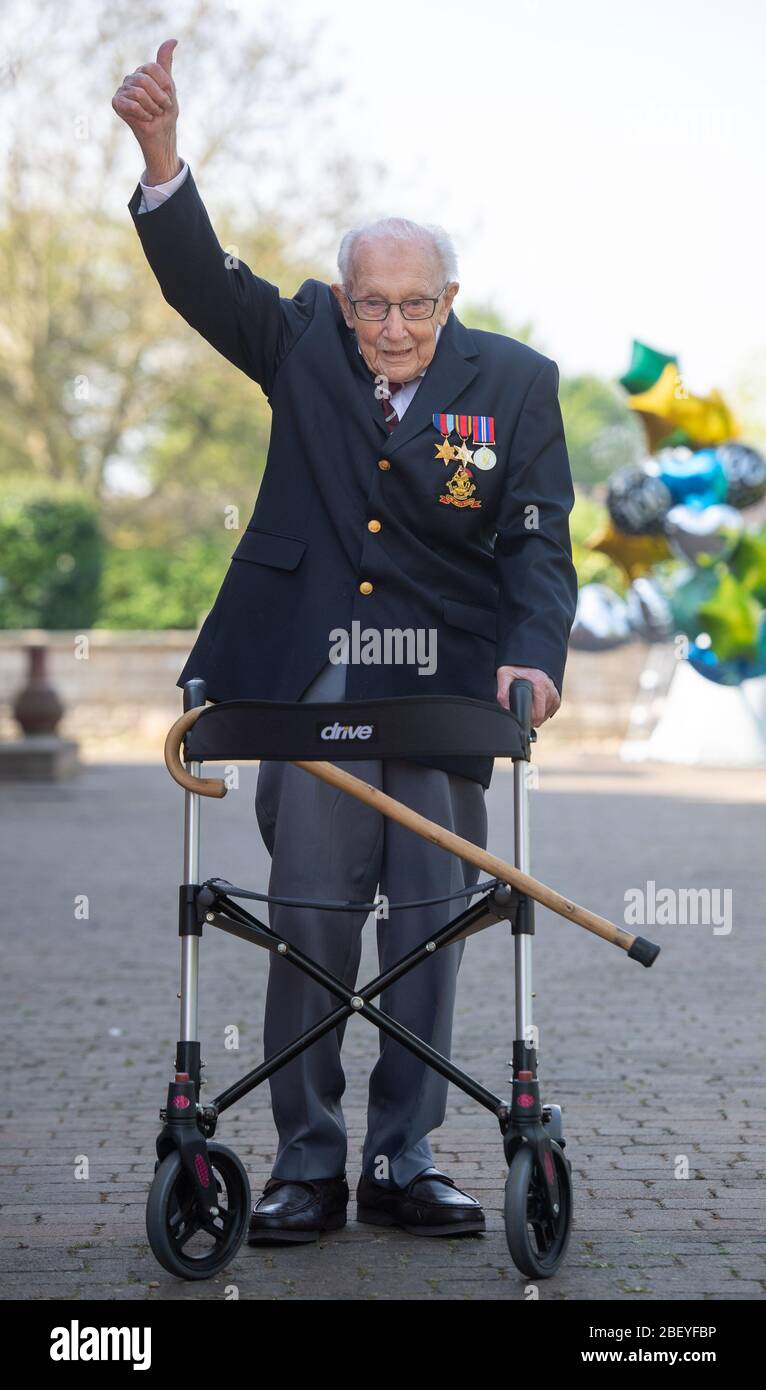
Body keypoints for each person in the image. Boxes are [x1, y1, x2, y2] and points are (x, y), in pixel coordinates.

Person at [113, 38, 578, 1244]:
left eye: (415, 304)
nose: (391, 325)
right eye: (372, 302)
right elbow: (204, 285)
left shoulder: (516, 383)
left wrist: (535, 653)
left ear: (451, 300)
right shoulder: (304, 339)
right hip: (309, 677)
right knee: (313, 918)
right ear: (345, 297)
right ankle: (307, 1161)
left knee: (430, 915)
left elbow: (537, 536)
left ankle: (404, 1155)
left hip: (448, 680)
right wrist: (164, 159)